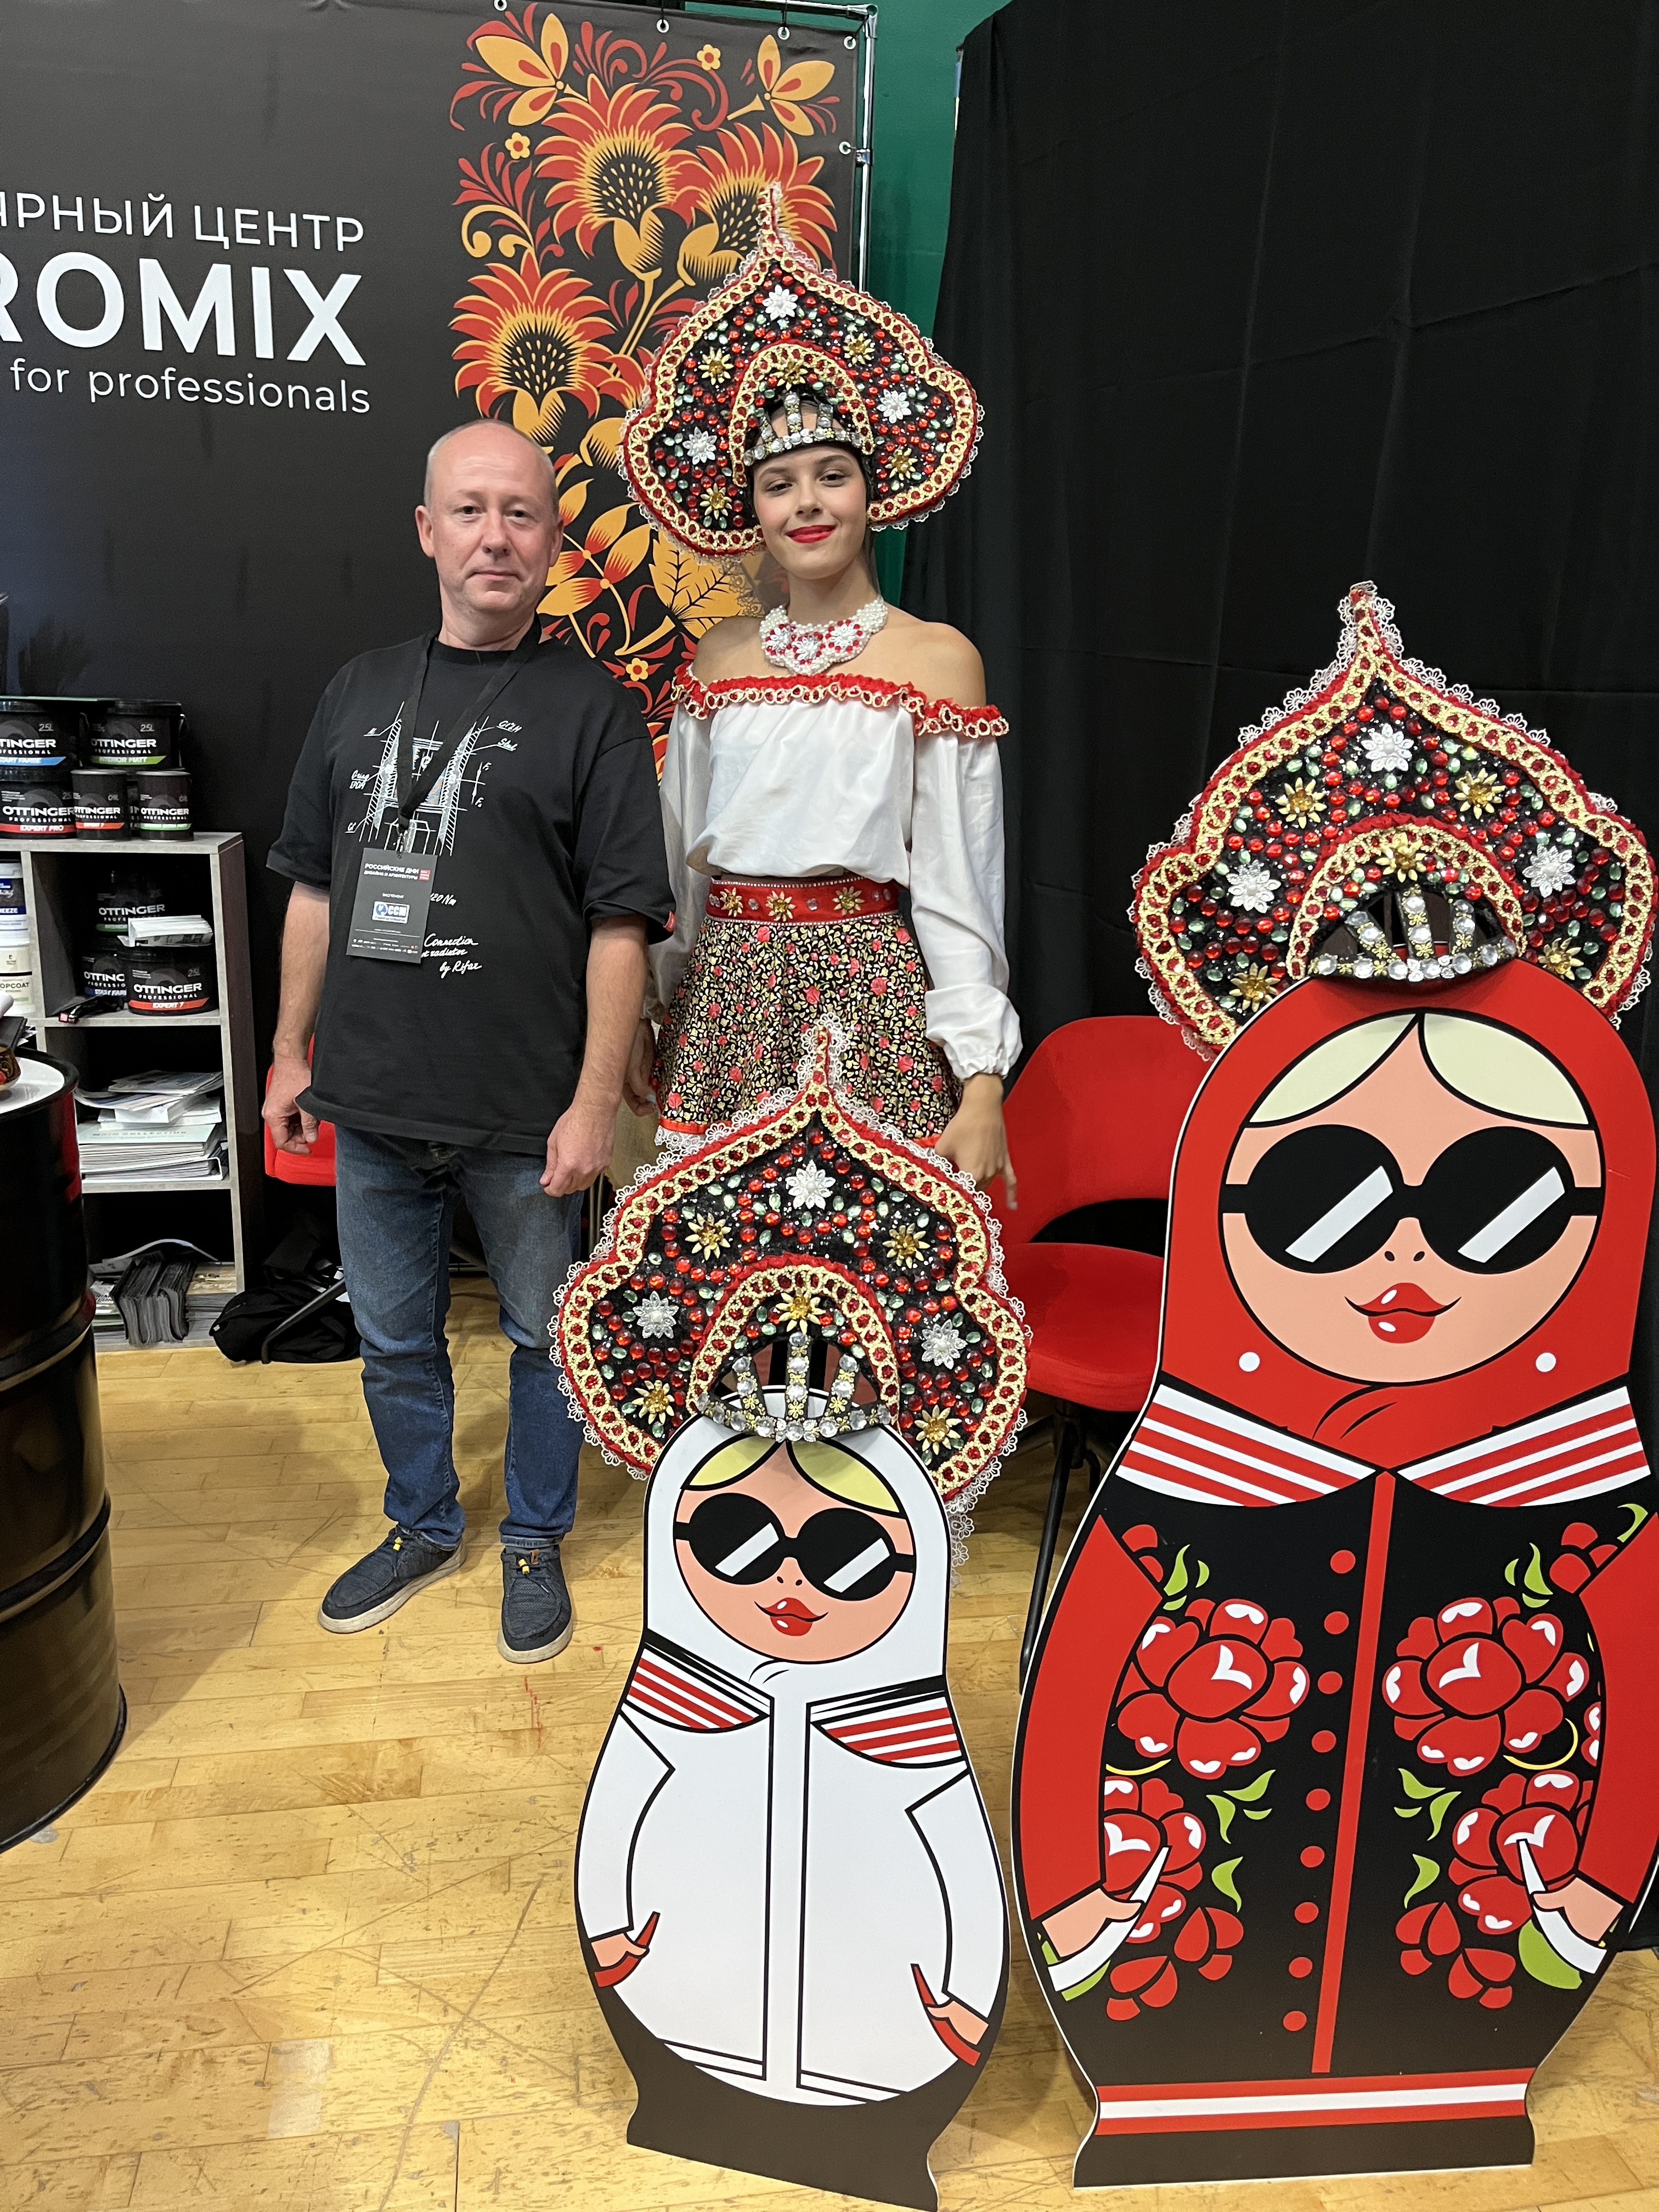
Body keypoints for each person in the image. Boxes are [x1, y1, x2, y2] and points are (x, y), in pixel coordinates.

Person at [1015, 590, 1659, 2188]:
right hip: (1165, 1972)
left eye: (1500, 1202)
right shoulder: (1198, 1465)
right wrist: (1076, 1899)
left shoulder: (1580, 1479)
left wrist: (1592, 1894)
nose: (1408, 1259)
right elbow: (1083, 1678)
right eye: (1322, 1200)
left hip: (1477, 1986)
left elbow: (1637, 1692)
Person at [265, 418, 672, 1664]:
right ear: (427, 531)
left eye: (522, 513)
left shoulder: (595, 710)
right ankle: (423, 1522)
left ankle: (534, 1536)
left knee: (544, 1341)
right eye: (471, 510)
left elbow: (621, 923)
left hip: (524, 1107)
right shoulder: (357, 688)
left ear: (552, 541)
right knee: (395, 1341)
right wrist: (290, 1051)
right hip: (373, 1096)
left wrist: (594, 1103)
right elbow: (316, 887)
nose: (496, 537)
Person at [618, 199, 1020, 1205]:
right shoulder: (719, 657)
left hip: (873, 1001)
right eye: (780, 483)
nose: (807, 503)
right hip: (724, 1003)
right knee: (718, 1263)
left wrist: (979, 1078)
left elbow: (961, 884)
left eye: (831, 476)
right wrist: (651, 1009)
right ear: (749, 509)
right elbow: (680, 861)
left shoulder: (937, 661)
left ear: (871, 493)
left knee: (864, 1267)